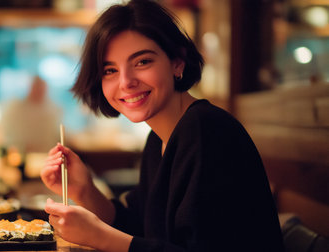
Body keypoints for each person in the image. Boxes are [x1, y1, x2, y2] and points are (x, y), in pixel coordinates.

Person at [41, 1, 285, 252]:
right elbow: (138, 228)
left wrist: (99, 236)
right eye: (110, 70)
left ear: (177, 62)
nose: (126, 82)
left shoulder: (206, 131)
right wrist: (84, 190)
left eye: (142, 62)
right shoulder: (160, 139)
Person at [1, 75, 62, 155]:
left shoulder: (53, 110)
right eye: (36, 87)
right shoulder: (16, 108)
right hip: (21, 154)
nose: (39, 91)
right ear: (30, 88)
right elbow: (9, 133)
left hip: (45, 155)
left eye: (41, 89)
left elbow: (55, 135)